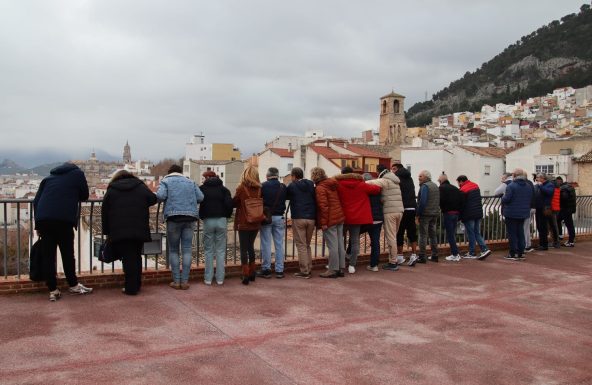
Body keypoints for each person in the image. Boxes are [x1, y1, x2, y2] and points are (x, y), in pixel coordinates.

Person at [33, 162, 93, 301]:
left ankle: (53, 290)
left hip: (44, 220)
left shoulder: (48, 178)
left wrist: (38, 225)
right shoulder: (78, 174)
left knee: (49, 256)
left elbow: (36, 201)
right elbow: (84, 195)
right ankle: (73, 285)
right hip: (63, 220)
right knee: (67, 254)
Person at [101, 170, 157, 294]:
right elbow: (153, 199)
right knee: (136, 257)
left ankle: (131, 288)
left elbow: (104, 211)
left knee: (127, 259)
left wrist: (107, 231)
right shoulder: (140, 187)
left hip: (119, 230)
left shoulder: (111, 190)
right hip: (139, 228)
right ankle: (136, 285)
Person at [156, 165, 204, 290]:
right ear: (181, 172)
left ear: (169, 172)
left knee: (173, 250)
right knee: (187, 249)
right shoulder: (190, 182)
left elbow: (160, 196)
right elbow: (200, 197)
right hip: (190, 218)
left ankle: (176, 281)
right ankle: (185, 281)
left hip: (173, 218)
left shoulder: (165, 181)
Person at [335, 166, 381, 274]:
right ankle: (352, 265)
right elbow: (377, 189)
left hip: (342, 217)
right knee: (355, 242)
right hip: (357, 217)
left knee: (338, 241)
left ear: (342, 173)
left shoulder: (338, 185)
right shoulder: (361, 185)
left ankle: (338, 264)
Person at [366, 164, 403, 271]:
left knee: (391, 238)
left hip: (389, 212)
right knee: (394, 236)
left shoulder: (385, 180)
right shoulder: (395, 181)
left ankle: (393, 262)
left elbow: (369, 183)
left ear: (379, 172)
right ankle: (393, 260)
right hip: (399, 210)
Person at [199, 171, 234, 286]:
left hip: (208, 220)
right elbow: (230, 204)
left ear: (208, 177)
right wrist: (226, 215)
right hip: (221, 220)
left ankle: (208, 279)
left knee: (208, 251)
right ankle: (220, 279)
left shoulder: (202, 189)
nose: (203, 179)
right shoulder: (224, 189)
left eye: (204, 177)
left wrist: (201, 215)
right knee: (220, 251)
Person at [311, 167, 346, 278]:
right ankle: (340, 268)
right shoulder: (332, 185)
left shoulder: (320, 188)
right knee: (340, 244)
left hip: (330, 219)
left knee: (332, 246)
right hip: (339, 217)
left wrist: (324, 222)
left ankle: (332, 269)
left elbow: (323, 206)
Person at [233, 165, 263, 285]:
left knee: (243, 248)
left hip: (244, 222)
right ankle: (253, 272)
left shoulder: (241, 188)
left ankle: (245, 274)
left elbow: (234, 202)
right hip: (256, 221)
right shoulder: (260, 189)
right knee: (250, 246)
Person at [286, 167, 316, 279]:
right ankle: (309, 267)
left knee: (301, 245)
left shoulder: (292, 185)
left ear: (293, 176)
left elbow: (286, 195)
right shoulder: (310, 184)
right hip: (311, 217)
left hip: (298, 217)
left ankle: (304, 271)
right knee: (307, 244)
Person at [257, 167, 287, 279]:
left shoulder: (262, 186)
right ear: (278, 175)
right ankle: (279, 270)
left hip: (266, 217)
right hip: (280, 217)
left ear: (267, 176)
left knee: (266, 244)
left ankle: (266, 269)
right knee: (279, 244)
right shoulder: (283, 187)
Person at [456, 175, 492, 260]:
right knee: (477, 232)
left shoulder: (463, 189)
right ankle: (483, 249)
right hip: (478, 213)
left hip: (469, 214)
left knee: (471, 233)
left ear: (461, 181)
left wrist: (459, 216)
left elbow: (462, 204)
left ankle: (473, 252)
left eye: (458, 182)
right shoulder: (475, 185)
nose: (458, 184)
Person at [501, 169, 533, 261]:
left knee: (512, 234)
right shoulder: (528, 186)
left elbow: (506, 199)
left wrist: (503, 197)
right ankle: (521, 253)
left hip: (511, 213)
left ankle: (513, 253)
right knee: (520, 233)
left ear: (514, 175)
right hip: (523, 213)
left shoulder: (511, 186)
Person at [410, 170, 440, 266]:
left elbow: (422, 202)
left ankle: (422, 256)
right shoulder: (435, 185)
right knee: (433, 235)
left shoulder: (425, 186)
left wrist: (418, 214)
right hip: (434, 213)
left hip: (425, 214)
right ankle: (435, 255)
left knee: (423, 235)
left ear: (426, 177)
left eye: (420, 176)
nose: (419, 178)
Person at [391, 162, 418, 265]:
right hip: (412, 207)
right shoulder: (409, 178)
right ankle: (414, 254)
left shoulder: (396, 178)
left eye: (393, 169)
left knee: (400, 232)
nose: (392, 171)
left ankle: (400, 256)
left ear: (397, 169)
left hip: (402, 207)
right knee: (412, 231)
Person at [438, 174, 463, 262]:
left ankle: (455, 254)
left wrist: (441, 208)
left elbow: (441, 200)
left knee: (450, 234)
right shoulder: (455, 188)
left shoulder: (441, 188)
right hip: (456, 213)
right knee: (453, 233)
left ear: (440, 181)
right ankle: (455, 253)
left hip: (448, 213)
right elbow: (461, 200)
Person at [362, 173, 384, 271]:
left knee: (353, 237)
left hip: (367, 218)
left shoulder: (364, 190)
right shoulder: (378, 190)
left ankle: (349, 256)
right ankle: (374, 265)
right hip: (378, 218)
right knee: (375, 242)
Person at [534, 173, 558, 251]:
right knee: (539, 226)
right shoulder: (539, 185)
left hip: (545, 208)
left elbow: (549, 192)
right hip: (538, 207)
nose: (536, 179)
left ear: (542, 178)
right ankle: (541, 243)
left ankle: (544, 245)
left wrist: (540, 186)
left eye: (537, 177)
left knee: (543, 226)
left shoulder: (549, 185)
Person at [556, 176, 576, 247]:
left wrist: (559, 200)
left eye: (556, 182)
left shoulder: (563, 188)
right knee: (558, 219)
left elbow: (564, 197)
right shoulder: (569, 186)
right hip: (569, 209)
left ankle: (571, 241)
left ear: (559, 181)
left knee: (569, 225)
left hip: (566, 209)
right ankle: (560, 235)